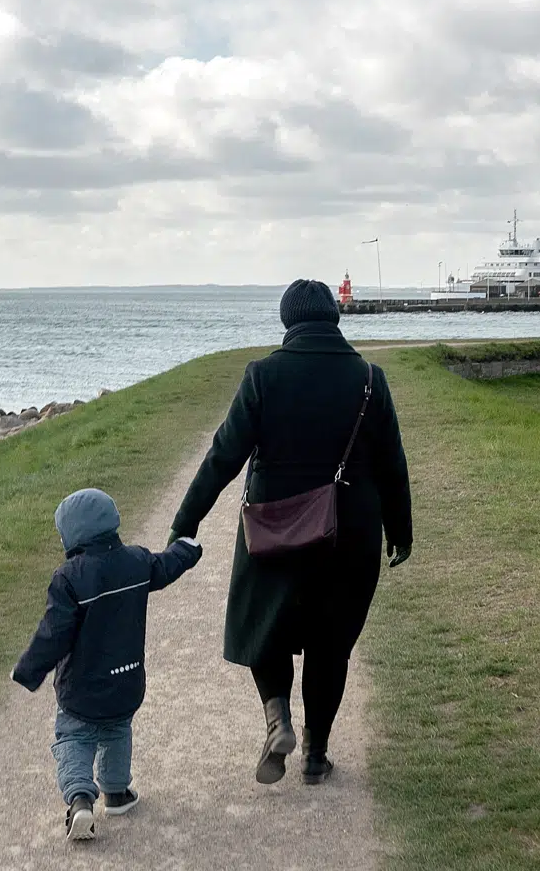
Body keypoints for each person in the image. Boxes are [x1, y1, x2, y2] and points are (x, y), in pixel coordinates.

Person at [168, 279, 412, 785]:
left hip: (272, 527)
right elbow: (393, 462)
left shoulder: (263, 376)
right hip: (350, 532)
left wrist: (184, 522)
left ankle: (277, 716)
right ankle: (316, 756)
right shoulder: (370, 378)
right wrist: (400, 529)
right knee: (331, 644)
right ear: (334, 317)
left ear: (287, 322)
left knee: (264, 623)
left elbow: (222, 458)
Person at [12, 488, 203, 841]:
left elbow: (53, 634)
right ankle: (116, 793)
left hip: (81, 689)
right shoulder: (136, 561)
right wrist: (187, 549)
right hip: (127, 682)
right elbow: (167, 564)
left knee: (74, 737)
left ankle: (81, 797)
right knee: (117, 729)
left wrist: (28, 670)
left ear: (72, 534)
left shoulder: (69, 577)